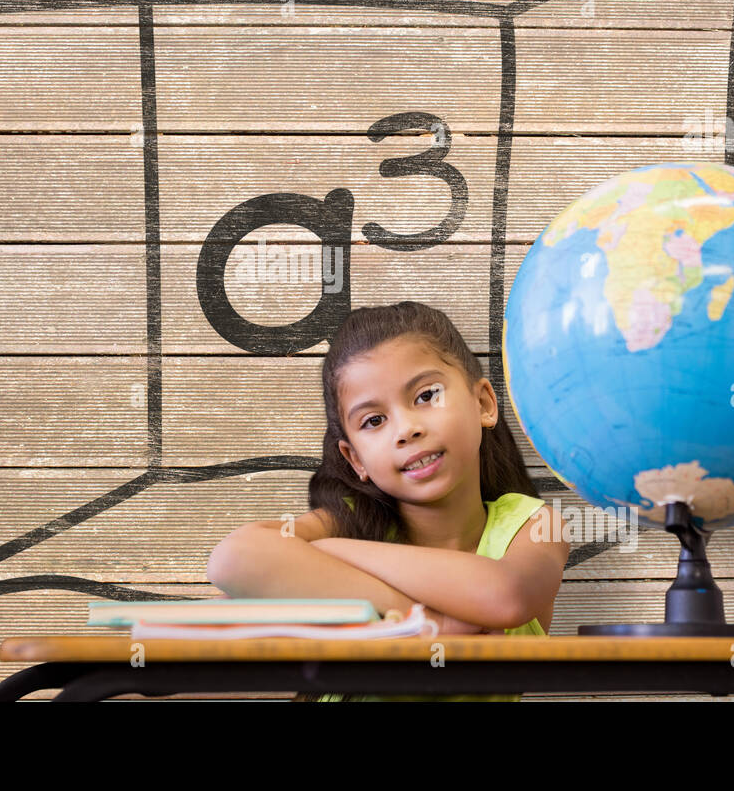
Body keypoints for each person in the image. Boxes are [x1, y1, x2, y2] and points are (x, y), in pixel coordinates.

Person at [205, 300, 570, 701]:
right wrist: (426, 622)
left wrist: (334, 550)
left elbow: (506, 596)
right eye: (374, 421)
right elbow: (231, 559)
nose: (406, 430)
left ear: (483, 403)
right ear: (356, 459)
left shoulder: (535, 526)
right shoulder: (345, 520)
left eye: (426, 395)